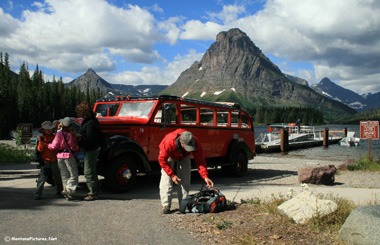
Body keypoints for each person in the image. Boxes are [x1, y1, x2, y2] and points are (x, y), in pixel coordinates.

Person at [158, 129, 214, 214]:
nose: (190, 149)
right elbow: (162, 160)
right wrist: (172, 175)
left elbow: (200, 161)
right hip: (169, 155)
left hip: (184, 156)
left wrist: (205, 177)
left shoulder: (195, 142)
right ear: (181, 142)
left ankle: (183, 203)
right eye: (188, 147)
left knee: (185, 178)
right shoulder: (168, 143)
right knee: (166, 179)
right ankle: (166, 205)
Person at [74, 101, 102, 201]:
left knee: (89, 171)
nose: (78, 114)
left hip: (92, 149)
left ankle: (93, 193)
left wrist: (79, 137)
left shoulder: (90, 123)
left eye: (79, 111)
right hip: (93, 148)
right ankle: (96, 190)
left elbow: (90, 139)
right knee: (91, 170)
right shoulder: (91, 120)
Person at [48, 117, 79, 200]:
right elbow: (74, 146)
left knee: (64, 175)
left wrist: (48, 145)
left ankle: (66, 193)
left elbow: (54, 146)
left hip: (59, 156)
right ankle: (69, 189)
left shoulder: (59, 133)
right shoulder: (72, 133)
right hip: (69, 155)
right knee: (73, 174)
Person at [34, 121, 63, 200]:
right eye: (47, 129)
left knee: (57, 177)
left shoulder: (55, 137)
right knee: (42, 178)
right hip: (45, 160)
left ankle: (59, 192)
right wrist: (42, 142)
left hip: (55, 160)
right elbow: (40, 150)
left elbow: (58, 146)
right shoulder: (41, 138)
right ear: (43, 130)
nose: (49, 130)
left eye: (50, 129)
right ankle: (38, 193)